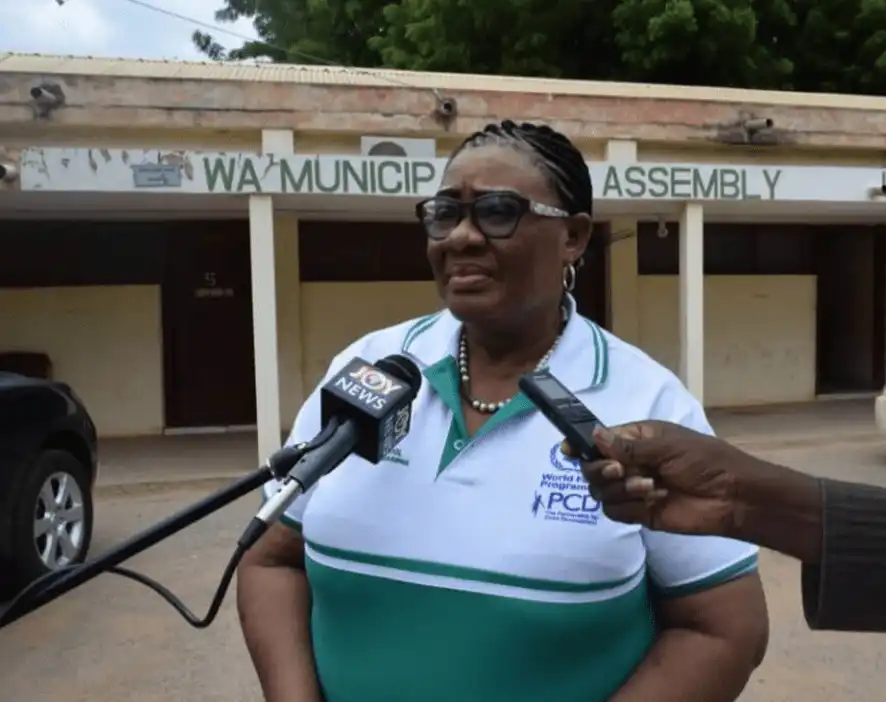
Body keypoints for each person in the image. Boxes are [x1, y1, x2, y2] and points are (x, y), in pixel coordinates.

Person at [236, 120, 769, 702]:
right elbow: (272, 559)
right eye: (445, 213)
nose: (460, 237)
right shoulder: (371, 365)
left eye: (496, 211)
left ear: (574, 236)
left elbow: (725, 628)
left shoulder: (645, 402)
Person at [569, 420, 886, 643]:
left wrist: (742, 499)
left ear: (573, 238)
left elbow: (725, 634)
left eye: (504, 230)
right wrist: (742, 499)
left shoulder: (647, 384)